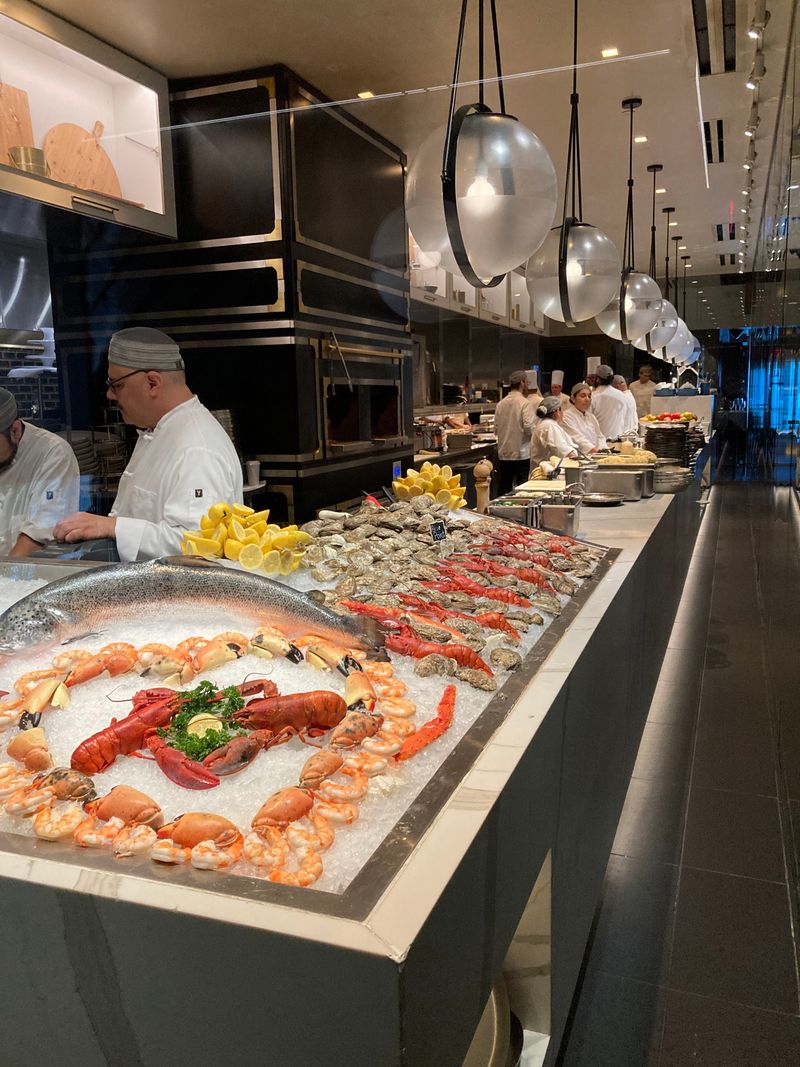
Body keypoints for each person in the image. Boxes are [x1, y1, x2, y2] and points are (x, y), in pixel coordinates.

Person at [54, 328, 243, 561]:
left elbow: (195, 545)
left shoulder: (197, 448)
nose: (110, 395)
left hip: (180, 595)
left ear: (152, 383)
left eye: (116, 384)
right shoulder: (160, 430)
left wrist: (113, 527)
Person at [0, 388, 79, 558]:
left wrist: (4, 580)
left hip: (27, 578)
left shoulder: (53, 453)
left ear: (15, 431)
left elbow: (38, 536)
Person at [494, 369, 536, 494]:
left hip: (504, 453)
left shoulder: (500, 404)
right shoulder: (524, 403)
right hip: (521, 453)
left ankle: (499, 512)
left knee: (504, 488)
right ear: (523, 383)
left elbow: (496, 429)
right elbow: (529, 427)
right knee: (521, 490)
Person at [529, 395, 579, 467]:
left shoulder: (546, 424)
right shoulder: (550, 426)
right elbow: (565, 452)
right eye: (562, 409)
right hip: (548, 473)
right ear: (557, 411)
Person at [562, 382, 607, 454]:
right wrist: (595, 451)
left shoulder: (591, 417)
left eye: (589, 396)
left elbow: (600, 436)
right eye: (583, 396)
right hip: (579, 458)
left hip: (596, 456)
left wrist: (605, 450)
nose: (587, 399)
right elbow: (577, 438)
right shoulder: (566, 416)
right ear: (573, 398)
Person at [590, 364, 630, 440]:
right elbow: (626, 419)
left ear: (598, 379)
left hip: (599, 442)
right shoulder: (622, 395)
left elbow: (588, 422)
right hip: (618, 440)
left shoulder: (593, 397)